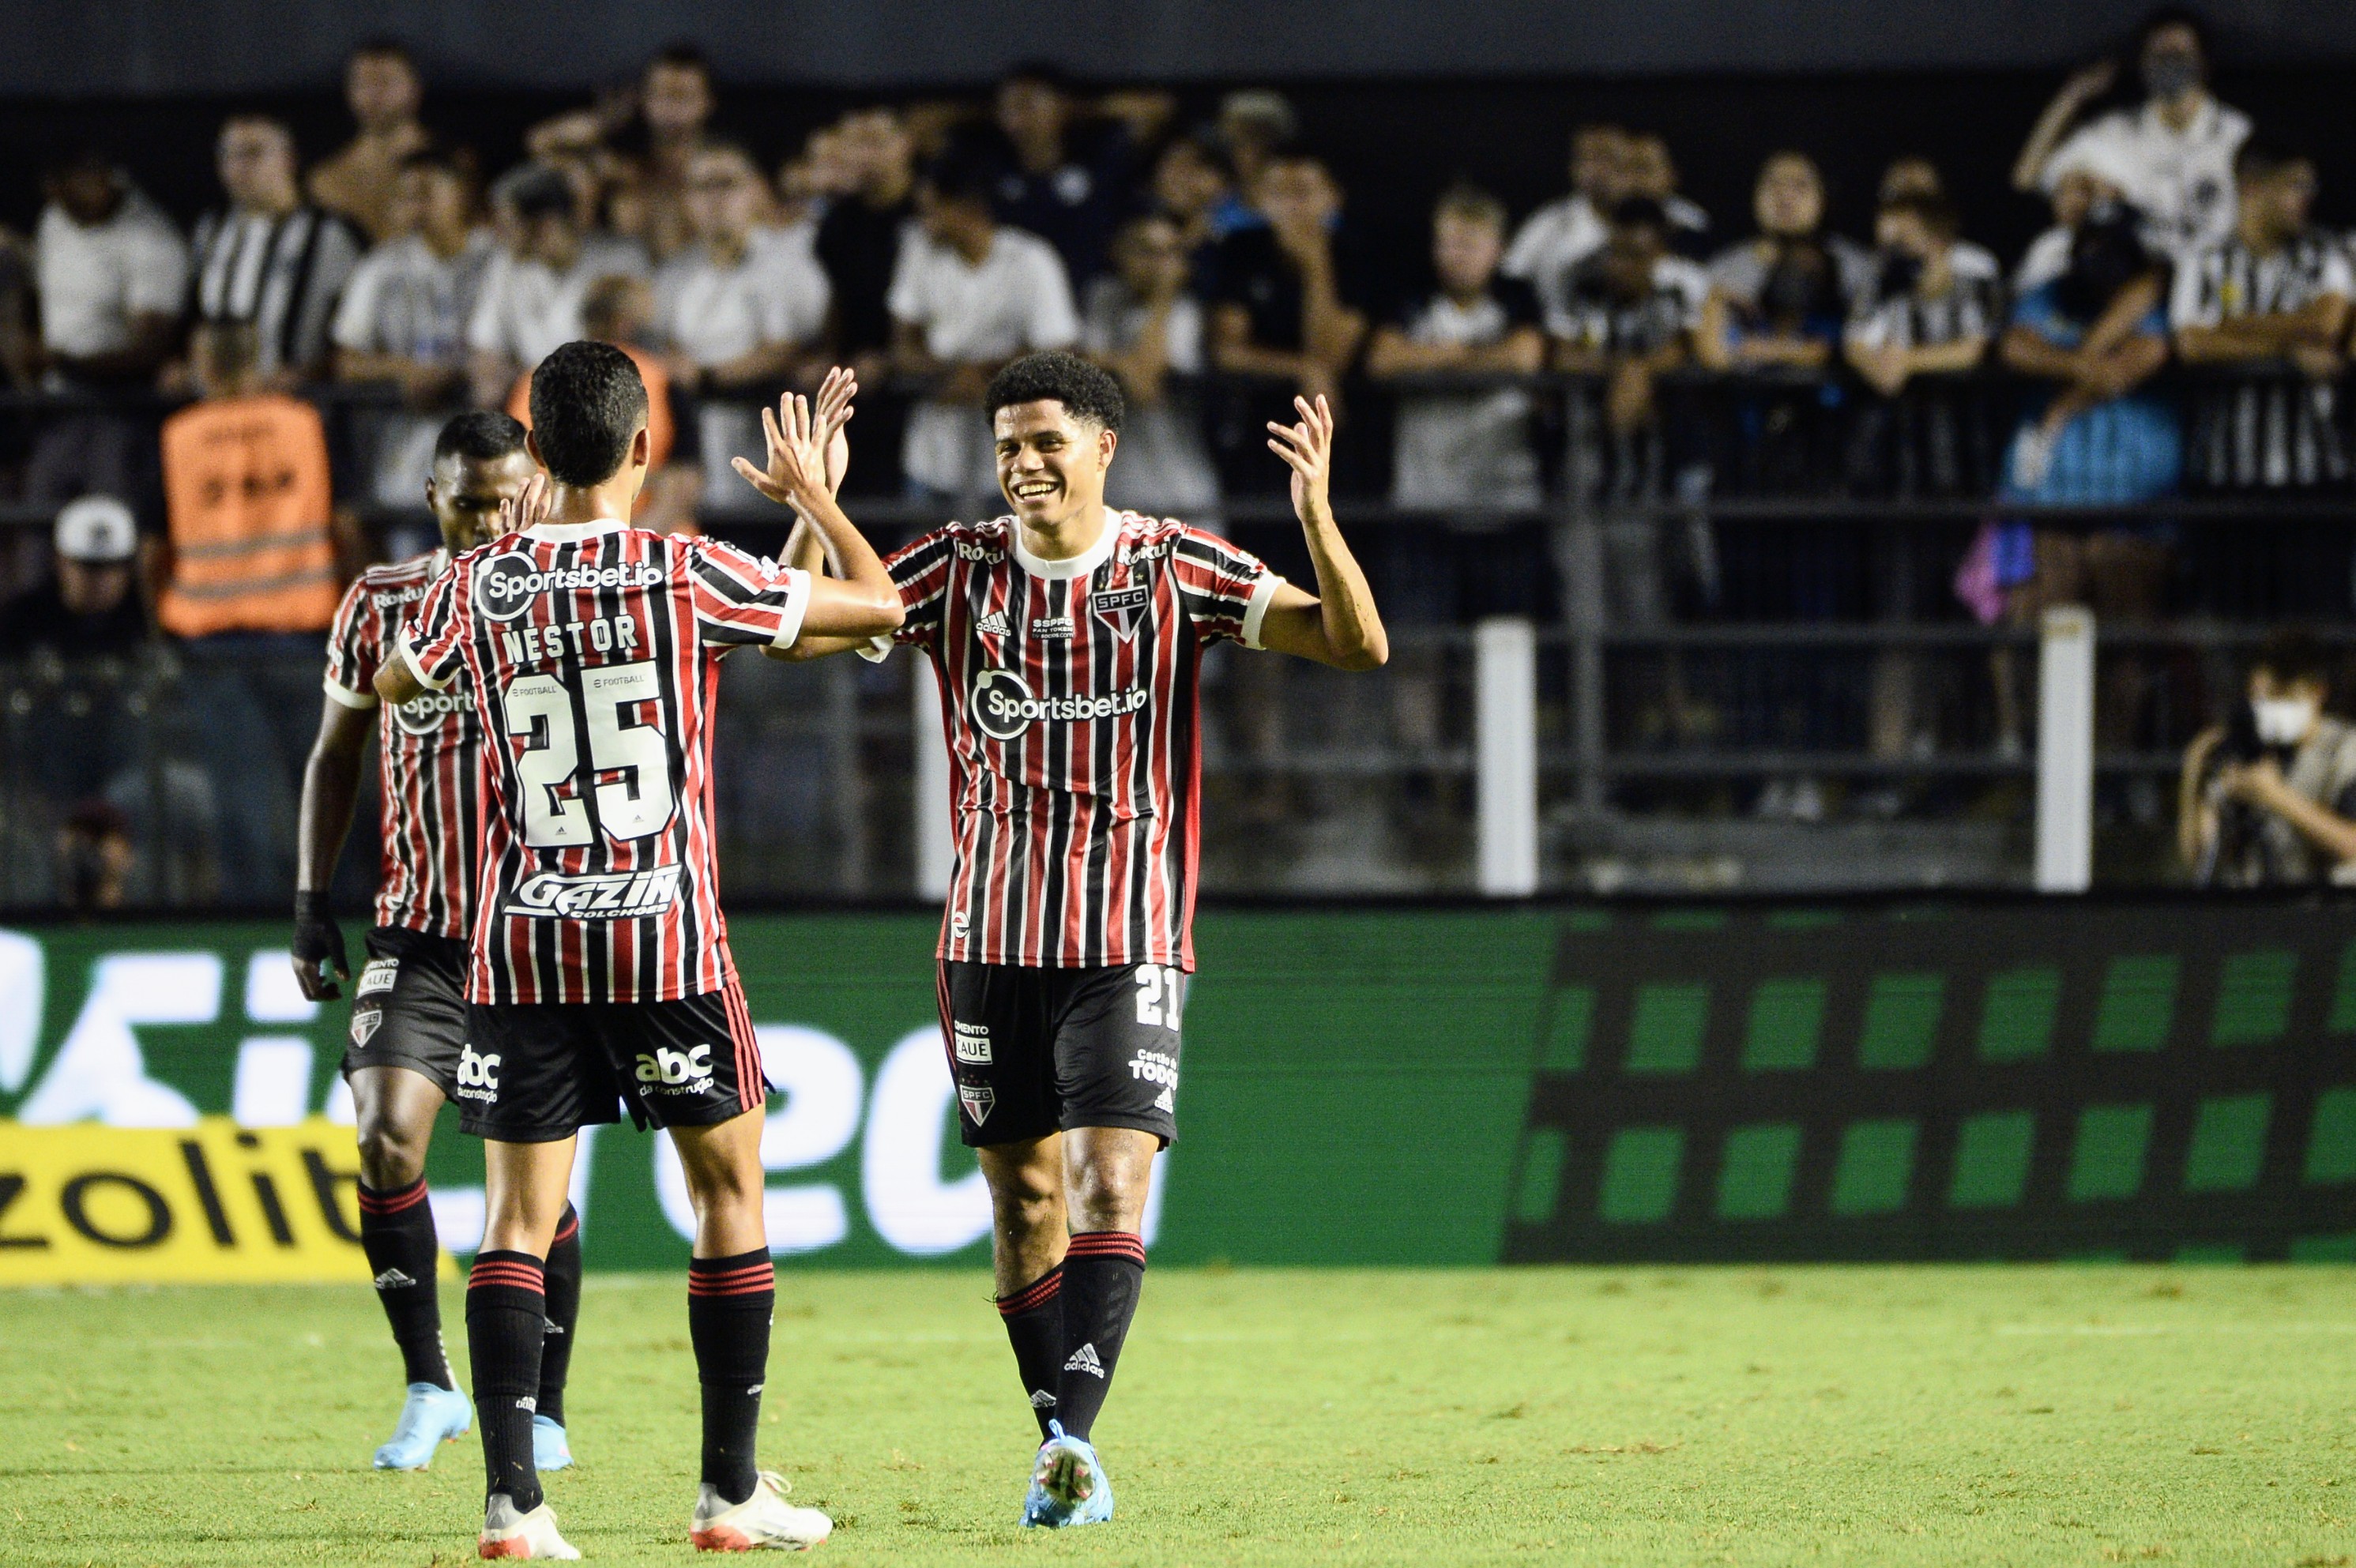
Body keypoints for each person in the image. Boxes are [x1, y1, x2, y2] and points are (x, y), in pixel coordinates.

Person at [773, 351, 1386, 1529]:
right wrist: (815, 511)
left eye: (1046, 440)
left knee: (1110, 1182)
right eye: (1007, 444)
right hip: (988, 941)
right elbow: (793, 633)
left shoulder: (1174, 565)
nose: (1024, 463)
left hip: (1127, 936)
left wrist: (1315, 518)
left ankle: (1071, 1446)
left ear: (1105, 445)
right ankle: (1058, 1434)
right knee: (1022, 1210)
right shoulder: (955, 572)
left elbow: (1354, 646)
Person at [371, 350, 898, 1556]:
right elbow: (881, 610)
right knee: (727, 1197)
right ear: (644, 448)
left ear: (536, 454)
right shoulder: (683, 571)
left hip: (524, 940)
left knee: (513, 1221)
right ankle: (728, 1492)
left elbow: (400, 690)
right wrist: (814, 505)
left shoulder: (478, 584)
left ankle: (513, 1506)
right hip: (665, 937)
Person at [288, 412, 589, 1475]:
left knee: (534, 1187)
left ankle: (545, 1408)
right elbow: (336, 753)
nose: (487, 521)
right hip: (416, 931)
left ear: (536, 492)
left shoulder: (566, 596)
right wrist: (308, 898)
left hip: (539, 933)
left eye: (506, 500)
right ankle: (430, 1382)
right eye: (467, 503)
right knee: (384, 1135)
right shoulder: (382, 603)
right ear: (432, 499)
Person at [890, 142, 1080, 510]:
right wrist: (952, 375)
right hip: (931, 456)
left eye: (932, 211)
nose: (923, 222)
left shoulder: (1031, 259)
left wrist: (985, 377)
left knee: (1010, 566)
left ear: (969, 208)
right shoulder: (919, 253)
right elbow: (902, 346)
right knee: (923, 564)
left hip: (1019, 460)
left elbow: (1058, 351)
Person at [655, 141, 831, 501]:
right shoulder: (675, 274)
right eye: (703, 187)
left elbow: (787, 350)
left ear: (756, 191)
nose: (715, 199)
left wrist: (707, 376)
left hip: (775, 449)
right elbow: (667, 347)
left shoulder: (790, 264)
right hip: (696, 448)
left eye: (727, 184)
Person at [2172, 138, 2352, 491]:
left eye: (2310, 186)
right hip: (2223, 475)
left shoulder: (2325, 253)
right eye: (2295, 185)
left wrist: (2233, 326)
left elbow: (2326, 326)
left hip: (2315, 473)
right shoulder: (2203, 259)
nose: (2308, 197)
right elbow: (2192, 345)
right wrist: (2287, 353)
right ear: (2253, 188)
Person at [23, 145, 186, 533]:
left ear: (104, 177)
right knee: (38, 523)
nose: (59, 194)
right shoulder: (55, 221)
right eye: (55, 184)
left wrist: (63, 362)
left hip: (122, 411)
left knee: (110, 527)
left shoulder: (150, 239)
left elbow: (151, 351)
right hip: (59, 407)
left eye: (70, 182)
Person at [334, 150, 497, 519]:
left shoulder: (497, 257)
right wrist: (409, 371)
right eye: (406, 195)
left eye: (426, 191)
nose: (415, 205)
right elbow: (347, 360)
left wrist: (459, 371)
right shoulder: (381, 266)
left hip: (491, 451)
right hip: (408, 453)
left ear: (461, 194)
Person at [1367, 184, 1545, 511]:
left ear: (1499, 249)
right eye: (1447, 244)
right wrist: (1476, 356)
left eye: (1469, 244)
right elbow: (1383, 359)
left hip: (1504, 490)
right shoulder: (1415, 297)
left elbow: (1524, 358)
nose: (1456, 255)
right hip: (1426, 491)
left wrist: (1436, 357)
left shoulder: (1516, 297)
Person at [1207, 152, 1373, 492]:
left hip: (1340, 437)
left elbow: (1332, 358)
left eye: (1302, 191)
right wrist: (1301, 367)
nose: (1290, 205)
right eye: (1278, 192)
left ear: (1332, 197)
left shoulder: (1355, 256)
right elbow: (1227, 350)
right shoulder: (1241, 251)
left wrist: (1315, 267)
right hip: (1258, 433)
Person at [2033, 8, 2250, 261]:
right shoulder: (2114, 133)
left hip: (2215, 279)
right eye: (2159, 55)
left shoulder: (2238, 134)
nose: (2169, 63)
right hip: (2133, 279)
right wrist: (2071, 97)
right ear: (2142, 64)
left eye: (2179, 54)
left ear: (2203, 62)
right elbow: (2027, 177)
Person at [190, 116, 364, 384]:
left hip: (298, 405)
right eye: (229, 155)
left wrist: (312, 373)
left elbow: (354, 332)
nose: (239, 167)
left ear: (289, 159)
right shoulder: (211, 231)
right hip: (218, 408)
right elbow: (195, 316)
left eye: (253, 153)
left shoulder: (329, 234)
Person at [2181, 630, 2356, 886]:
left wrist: (2275, 796)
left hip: (2321, 911)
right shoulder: (2242, 747)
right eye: (2259, 696)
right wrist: (2195, 774)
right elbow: (2200, 859)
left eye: (2280, 693)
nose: (2268, 706)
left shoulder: (2344, 748)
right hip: (2252, 908)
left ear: (2317, 691)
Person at [467, 163, 649, 406]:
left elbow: (621, 351)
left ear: (546, 223)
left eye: (509, 223)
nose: (499, 233)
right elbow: (486, 347)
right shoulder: (504, 268)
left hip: (602, 407)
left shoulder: (620, 261)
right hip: (533, 406)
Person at [1080, 212, 1221, 518]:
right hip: (1117, 495)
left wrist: (1163, 299)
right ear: (1119, 252)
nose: (1158, 264)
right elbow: (1084, 366)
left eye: (1169, 253)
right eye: (1145, 250)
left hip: (1183, 497)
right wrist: (1118, 364)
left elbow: (1145, 386)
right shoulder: (1103, 299)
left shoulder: (1187, 313)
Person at [1696, 151, 1874, 374]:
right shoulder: (1722, 268)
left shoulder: (1857, 267)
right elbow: (1711, 353)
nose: (1785, 196)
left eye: (1800, 186)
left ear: (1822, 198)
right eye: (1773, 185)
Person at [987, 62, 1138, 288]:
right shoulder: (993, 171)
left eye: (1026, 106)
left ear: (1062, 106)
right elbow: (924, 123)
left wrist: (1082, 109)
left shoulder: (1097, 163)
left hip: (1091, 301)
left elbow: (1153, 109)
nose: (1015, 120)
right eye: (1006, 109)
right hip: (1016, 302)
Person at [1501, 124, 1630, 325]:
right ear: (1573, 167)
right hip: (1560, 340)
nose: (1598, 170)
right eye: (1587, 158)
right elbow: (1509, 277)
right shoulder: (1546, 224)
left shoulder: (1675, 222)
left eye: (1607, 158)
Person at [308, 39, 432, 243]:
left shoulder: (455, 167)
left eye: (386, 82)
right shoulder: (327, 179)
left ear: (415, 89)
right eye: (362, 84)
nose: (374, 95)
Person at [0, 496, 151, 660]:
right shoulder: (22, 621)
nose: (100, 579)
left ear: (129, 569)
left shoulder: (147, 623)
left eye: (112, 565)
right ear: (60, 561)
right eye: (88, 566)